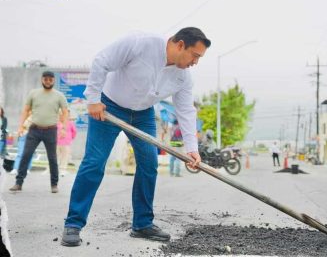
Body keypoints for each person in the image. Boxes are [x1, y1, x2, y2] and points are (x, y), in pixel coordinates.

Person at [61, 27, 210, 247]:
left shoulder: (183, 78)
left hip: (143, 115)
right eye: (195, 55)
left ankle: (142, 224)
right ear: (180, 45)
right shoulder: (141, 43)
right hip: (108, 107)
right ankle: (73, 224)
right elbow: (102, 61)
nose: (195, 62)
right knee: (94, 163)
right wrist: (93, 99)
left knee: (149, 164)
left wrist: (192, 149)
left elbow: (186, 111)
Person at [9, 71, 68, 193]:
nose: (48, 81)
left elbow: (65, 112)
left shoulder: (59, 96)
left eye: (50, 79)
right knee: (26, 155)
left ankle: (54, 184)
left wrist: (63, 128)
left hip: (51, 130)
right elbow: (25, 110)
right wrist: (21, 126)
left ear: (53, 80)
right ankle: (18, 183)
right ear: (42, 80)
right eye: (45, 79)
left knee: (52, 158)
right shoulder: (33, 93)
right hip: (34, 130)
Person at [57, 110, 77, 176]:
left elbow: (74, 132)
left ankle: (62, 170)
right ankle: (53, 170)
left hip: (66, 143)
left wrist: (70, 139)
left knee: (65, 156)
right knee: (55, 156)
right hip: (56, 143)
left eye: (67, 115)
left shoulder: (70, 123)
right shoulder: (56, 123)